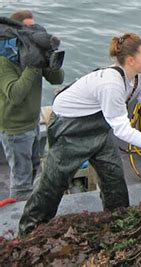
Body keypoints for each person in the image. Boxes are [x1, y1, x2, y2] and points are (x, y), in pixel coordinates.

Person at [18, 32, 141, 235]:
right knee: (53, 184)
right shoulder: (111, 84)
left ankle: (119, 223)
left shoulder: (138, 78)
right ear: (131, 60)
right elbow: (122, 129)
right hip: (70, 128)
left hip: (99, 125)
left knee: (114, 179)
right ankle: (29, 230)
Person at [0, 10, 64, 202]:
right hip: (15, 129)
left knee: (36, 168)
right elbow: (15, 94)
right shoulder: (4, 60)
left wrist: (49, 59)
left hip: (33, 122)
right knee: (21, 181)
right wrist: (33, 65)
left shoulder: (32, 53)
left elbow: (57, 79)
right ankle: (18, 221)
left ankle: (30, 208)